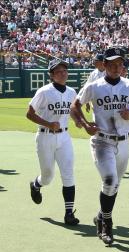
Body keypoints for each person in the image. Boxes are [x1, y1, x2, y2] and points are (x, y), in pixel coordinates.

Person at [70, 47, 129, 246]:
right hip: (101, 140)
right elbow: (74, 106)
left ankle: (101, 214)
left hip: (123, 142)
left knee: (114, 186)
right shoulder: (94, 86)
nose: (116, 67)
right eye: (112, 64)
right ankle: (107, 223)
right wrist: (86, 124)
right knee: (110, 180)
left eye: (119, 64)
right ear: (104, 65)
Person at [27, 59, 79, 225]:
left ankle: (69, 213)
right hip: (45, 136)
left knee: (68, 174)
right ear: (51, 75)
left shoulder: (71, 91)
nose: (63, 73)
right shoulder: (44, 91)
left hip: (64, 137)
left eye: (64, 70)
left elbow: (73, 110)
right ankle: (36, 184)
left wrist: (79, 121)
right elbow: (29, 113)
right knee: (48, 176)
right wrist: (48, 124)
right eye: (58, 71)